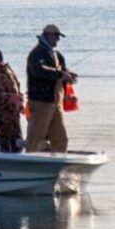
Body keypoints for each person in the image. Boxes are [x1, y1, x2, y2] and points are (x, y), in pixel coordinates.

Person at [25, 23, 75, 154]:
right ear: (47, 36)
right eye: (56, 37)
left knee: (60, 138)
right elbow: (38, 70)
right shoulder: (37, 53)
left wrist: (70, 76)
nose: (58, 40)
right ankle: (30, 162)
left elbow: (62, 71)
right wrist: (60, 74)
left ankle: (57, 163)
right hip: (41, 102)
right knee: (36, 136)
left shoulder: (57, 55)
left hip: (56, 102)